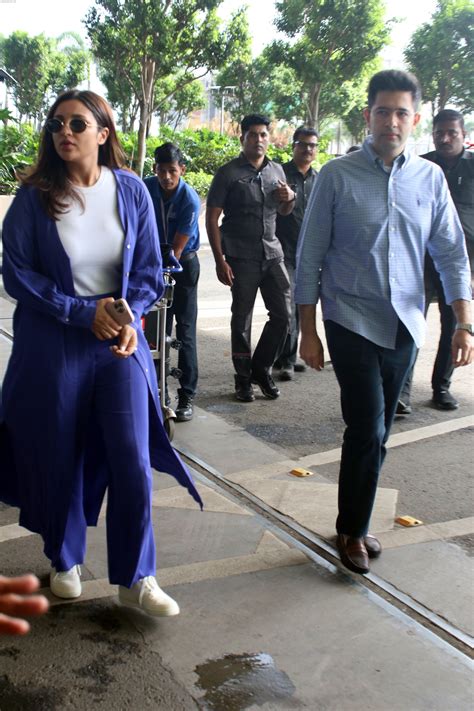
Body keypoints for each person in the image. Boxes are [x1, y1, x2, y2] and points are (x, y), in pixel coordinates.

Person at [0, 90, 202, 617]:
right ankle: (64, 558)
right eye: (57, 124)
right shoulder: (35, 197)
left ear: (103, 134)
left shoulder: (131, 191)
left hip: (117, 340)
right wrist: (78, 312)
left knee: (132, 456)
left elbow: (149, 269)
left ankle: (137, 576)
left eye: (77, 123)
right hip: (57, 340)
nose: (64, 132)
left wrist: (129, 314)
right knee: (59, 447)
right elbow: (17, 274)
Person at [295, 70, 472, 575]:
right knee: (367, 423)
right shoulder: (337, 175)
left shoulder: (429, 179)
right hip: (349, 316)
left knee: (381, 430)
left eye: (401, 113)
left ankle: (356, 521)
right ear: (367, 115)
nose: (391, 121)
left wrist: (464, 323)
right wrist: (307, 330)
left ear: (413, 119)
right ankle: (351, 531)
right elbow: (309, 256)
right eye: (382, 111)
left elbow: (451, 253)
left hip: (406, 323)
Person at [206, 114, 294, 402]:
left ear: (269, 137)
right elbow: (212, 217)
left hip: (272, 253)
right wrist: (220, 260)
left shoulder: (277, 171)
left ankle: (261, 368)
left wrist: (289, 197)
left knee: (283, 314)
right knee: (241, 318)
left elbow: (283, 212)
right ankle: (242, 378)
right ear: (242, 138)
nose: (258, 140)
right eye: (252, 135)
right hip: (241, 257)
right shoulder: (228, 173)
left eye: (263, 134)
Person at [397, 109, 474, 414]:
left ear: (463, 135)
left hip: (461, 262)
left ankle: (441, 388)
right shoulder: (420, 166)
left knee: (452, 324)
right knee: (409, 323)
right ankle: (401, 391)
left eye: (451, 133)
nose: (444, 138)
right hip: (420, 259)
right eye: (439, 132)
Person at [144, 143, 201, 422]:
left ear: (182, 170)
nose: (167, 177)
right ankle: (158, 393)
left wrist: (162, 267)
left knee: (185, 331)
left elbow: (176, 252)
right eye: (162, 170)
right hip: (151, 264)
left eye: (173, 171)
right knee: (155, 332)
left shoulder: (189, 199)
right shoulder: (145, 188)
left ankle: (186, 396)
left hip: (182, 264)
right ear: (154, 169)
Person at [274, 126, 318, 381]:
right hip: (284, 251)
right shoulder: (281, 173)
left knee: (304, 306)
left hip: (310, 255)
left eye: (312, 145)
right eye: (303, 144)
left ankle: (289, 354)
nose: (308, 149)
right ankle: (286, 360)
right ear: (294, 146)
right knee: (288, 307)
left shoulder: (320, 179)